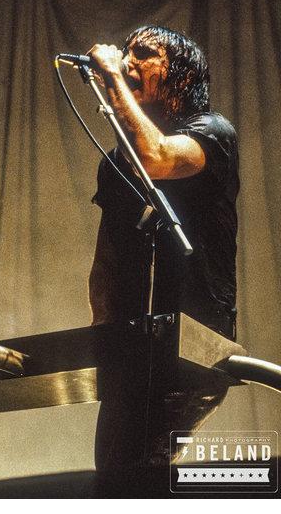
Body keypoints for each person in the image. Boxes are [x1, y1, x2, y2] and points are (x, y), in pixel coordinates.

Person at [86, 26, 239, 488]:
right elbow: (106, 266)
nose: (129, 61)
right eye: (124, 54)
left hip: (194, 342)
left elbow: (158, 157)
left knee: (142, 469)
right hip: (133, 348)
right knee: (113, 469)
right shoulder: (115, 163)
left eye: (145, 55)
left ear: (181, 76)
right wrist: (103, 349)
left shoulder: (212, 133)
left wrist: (112, 77)